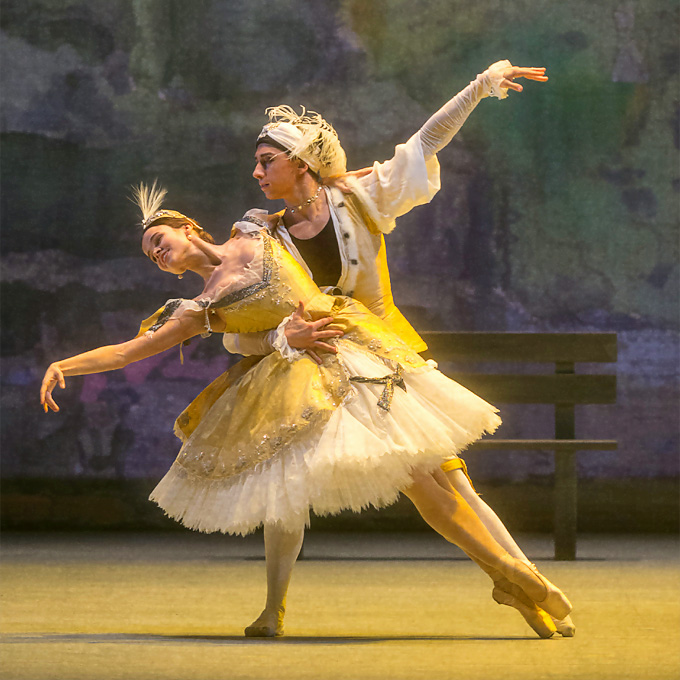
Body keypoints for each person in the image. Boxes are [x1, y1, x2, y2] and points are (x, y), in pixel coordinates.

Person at [40, 186, 572, 639]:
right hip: (306, 380)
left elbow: (326, 187)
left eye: (158, 239)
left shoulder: (254, 226)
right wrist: (66, 364)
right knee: (411, 476)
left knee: (436, 472)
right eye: (150, 255)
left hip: (356, 345)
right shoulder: (200, 308)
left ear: (185, 225)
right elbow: (131, 351)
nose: (156, 253)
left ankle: (514, 581)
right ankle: (515, 575)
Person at [217, 61, 574, 638]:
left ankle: (518, 579)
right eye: (257, 162)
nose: (255, 172)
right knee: (298, 487)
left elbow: (423, 143)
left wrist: (480, 87)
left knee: (446, 479)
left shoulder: (355, 198)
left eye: (267, 161)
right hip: (315, 375)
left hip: (382, 361)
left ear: (300, 164)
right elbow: (236, 318)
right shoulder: (265, 236)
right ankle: (275, 607)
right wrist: (280, 332)